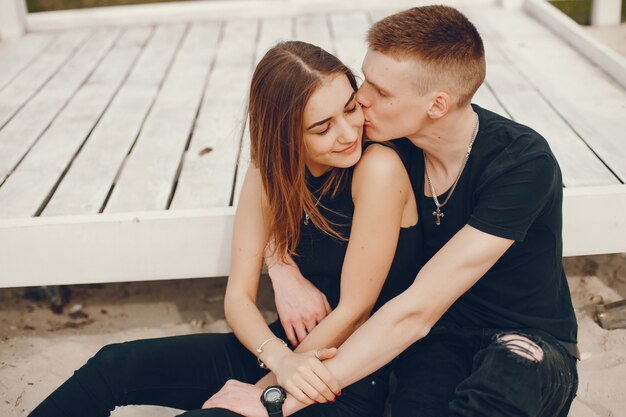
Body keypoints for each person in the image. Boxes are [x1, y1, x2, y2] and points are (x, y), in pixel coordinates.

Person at [205, 6, 578, 417]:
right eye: (365, 79)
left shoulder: (521, 163)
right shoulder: (384, 141)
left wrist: (274, 399)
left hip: (525, 338)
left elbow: (414, 310)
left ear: (437, 105)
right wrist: (282, 268)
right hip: (439, 338)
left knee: (498, 393)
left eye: (380, 92)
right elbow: (284, 170)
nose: (360, 98)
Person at [29, 41, 423, 417]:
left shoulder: (377, 169)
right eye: (322, 128)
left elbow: (355, 311)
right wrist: (279, 357)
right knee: (113, 364)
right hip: (286, 354)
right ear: (286, 136)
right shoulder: (269, 175)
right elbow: (237, 298)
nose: (348, 132)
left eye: (351, 108)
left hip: (342, 376)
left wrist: (266, 388)